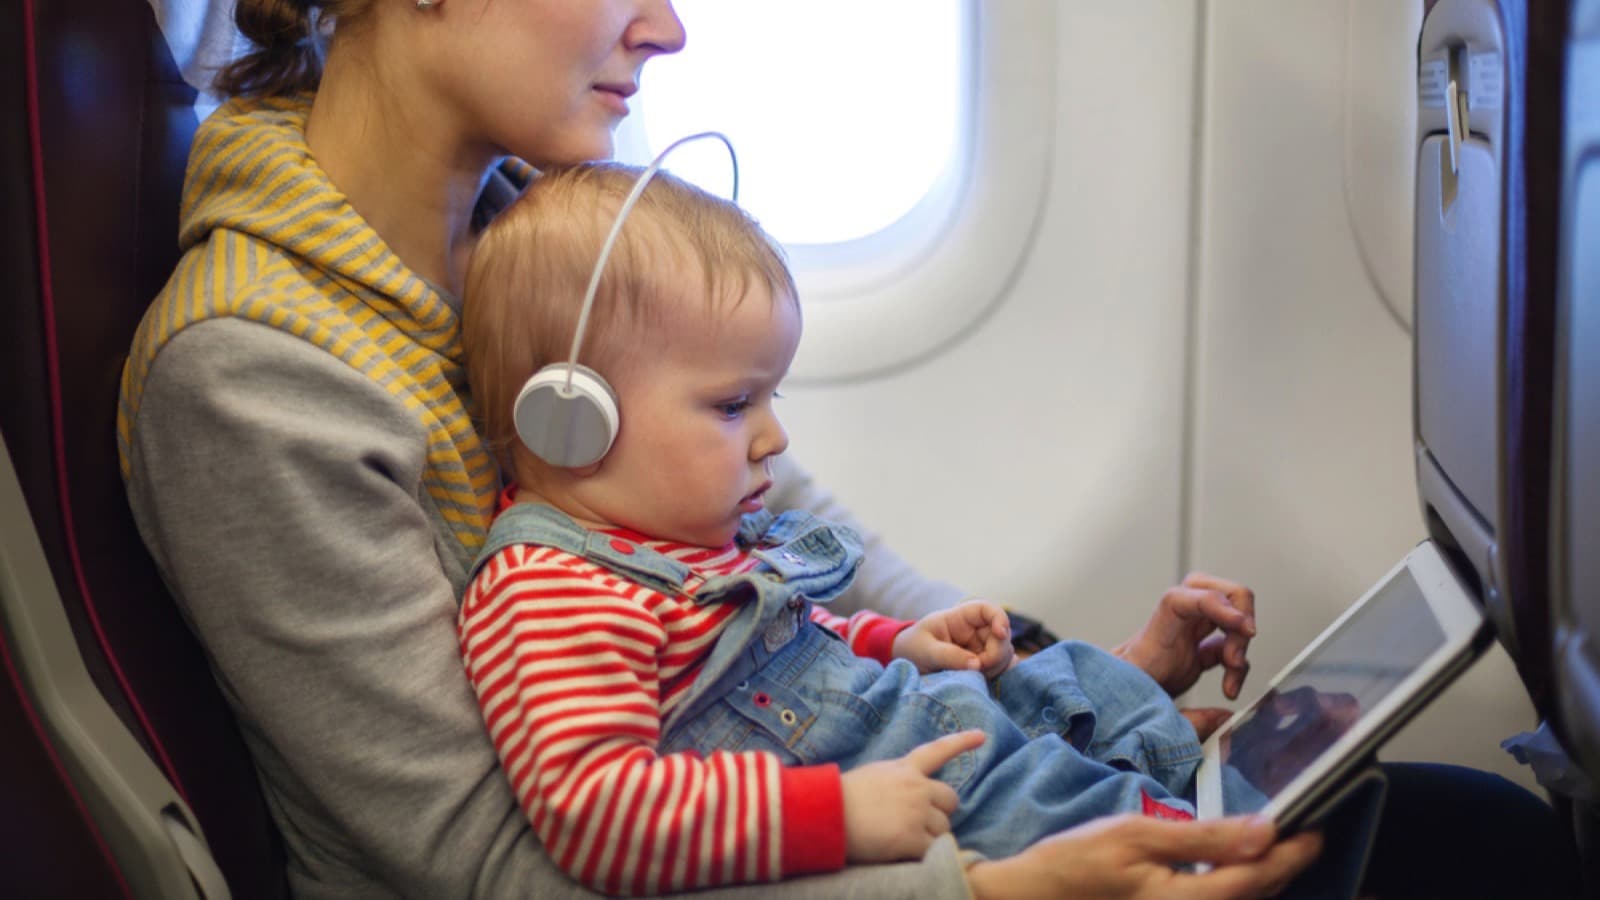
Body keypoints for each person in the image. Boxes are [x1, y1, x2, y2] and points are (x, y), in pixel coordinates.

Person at [115, 0, 1571, 897]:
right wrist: (993, 888)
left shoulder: (548, 241)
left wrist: (1064, 709)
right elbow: (493, 869)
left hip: (835, 825)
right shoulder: (252, 380)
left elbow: (825, 566)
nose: (671, 29)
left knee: (1471, 835)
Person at [457, 162, 1249, 895]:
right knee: (1141, 825)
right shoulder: (549, 594)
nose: (774, 438)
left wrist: (894, 641)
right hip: (910, 798)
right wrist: (837, 815)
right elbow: (597, 810)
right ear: (573, 425)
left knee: (1074, 676)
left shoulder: (672, 538)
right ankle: (1228, 831)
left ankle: (1215, 785)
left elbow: (786, 639)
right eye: (735, 406)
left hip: (913, 721)